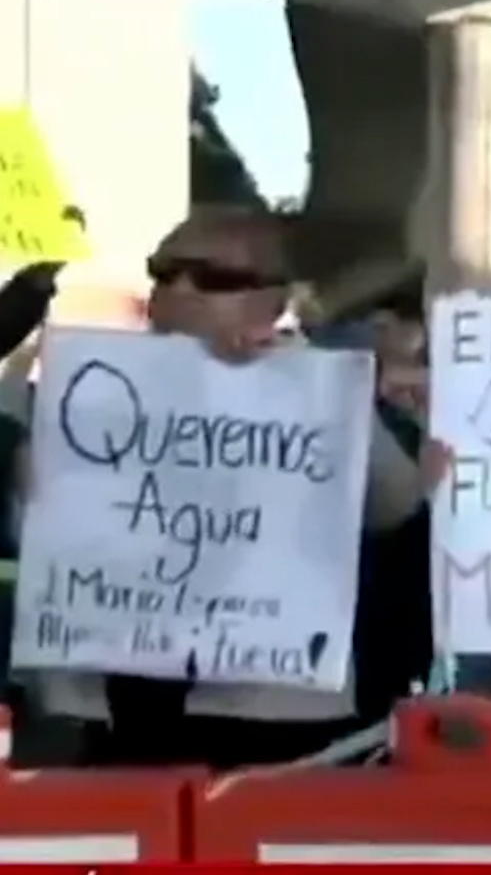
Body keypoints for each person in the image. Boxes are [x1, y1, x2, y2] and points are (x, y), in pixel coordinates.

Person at [18, 204, 427, 768]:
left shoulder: (315, 389)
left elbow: (396, 504)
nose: (180, 289)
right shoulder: (91, 386)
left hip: (269, 711)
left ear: (273, 299)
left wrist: (306, 383)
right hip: (106, 706)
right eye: (164, 272)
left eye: (213, 278)